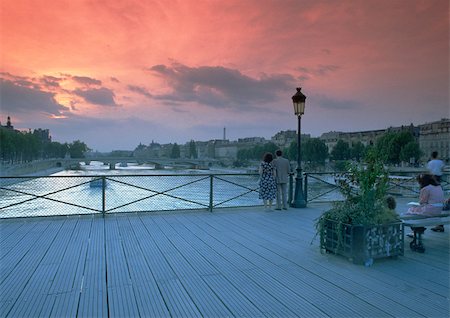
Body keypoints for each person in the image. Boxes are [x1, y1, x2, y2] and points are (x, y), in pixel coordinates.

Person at [426, 151, 445, 231]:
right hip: (438, 179)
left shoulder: (430, 162)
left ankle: (438, 224)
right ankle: (439, 224)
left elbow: (429, 172)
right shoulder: (440, 162)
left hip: (432, 179)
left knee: (432, 200)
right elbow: (442, 169)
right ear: (437, 155)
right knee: (438, 200)